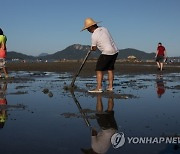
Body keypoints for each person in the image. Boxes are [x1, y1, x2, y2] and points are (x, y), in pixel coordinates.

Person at [81, 18, 119, 93]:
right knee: (110, 69)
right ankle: (110, 87)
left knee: (99, 70)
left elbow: (94, 48)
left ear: (91, 27)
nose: (88, 31)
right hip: (115, 50)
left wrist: (91, 48)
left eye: (87, 29)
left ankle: (98, 88)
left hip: (107, 52)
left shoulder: (94, 35)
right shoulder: (104, 28)